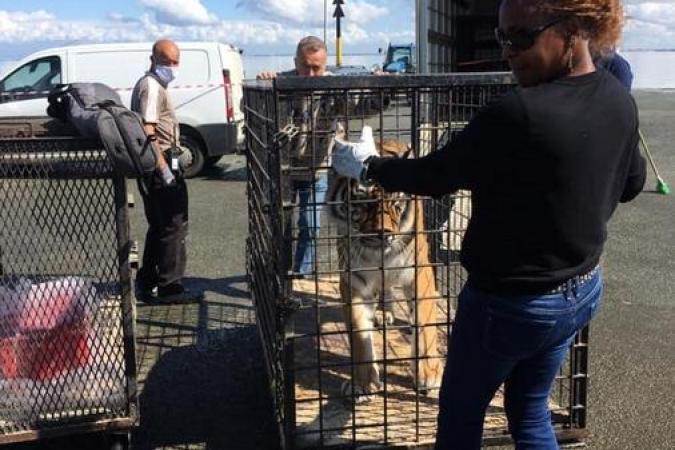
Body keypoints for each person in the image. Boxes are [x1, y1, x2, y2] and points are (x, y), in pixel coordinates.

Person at [332, 0, 646, 448]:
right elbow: (632, 185)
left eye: (521, 37)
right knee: (529, 406)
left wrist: (368, 167)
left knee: (460, 418)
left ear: (574, 30)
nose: (508, 51)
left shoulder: (518, 112)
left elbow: (434, 177)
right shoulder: (618, 98)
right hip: (581, 290)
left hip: (510, 303)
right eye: (503, 38)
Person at [258, 36, 386, 277]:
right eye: (306, 66)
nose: (312, 74)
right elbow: (252, 106)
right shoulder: (280, 83)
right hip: (283, 167)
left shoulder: (332, 88)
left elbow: (360, 106)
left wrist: (382, 91)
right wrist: (262, 86)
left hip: (316, 169)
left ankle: (300, 274)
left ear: (325, 64)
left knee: (311, 224)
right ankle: (279, 271)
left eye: (317, 67)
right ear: (295, 61)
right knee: (279, 224)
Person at [131, 39, 202, 303]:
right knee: (174, 225)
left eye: (175, 62)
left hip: (160, 164)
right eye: (167, 62)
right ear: (153, 60)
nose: (172, 67)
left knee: (160, 226)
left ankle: (147, 282)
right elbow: (148, 130)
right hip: (158, 167)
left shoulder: (157, 85)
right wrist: (164, 170)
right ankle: (170, 286)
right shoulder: (150, 86)